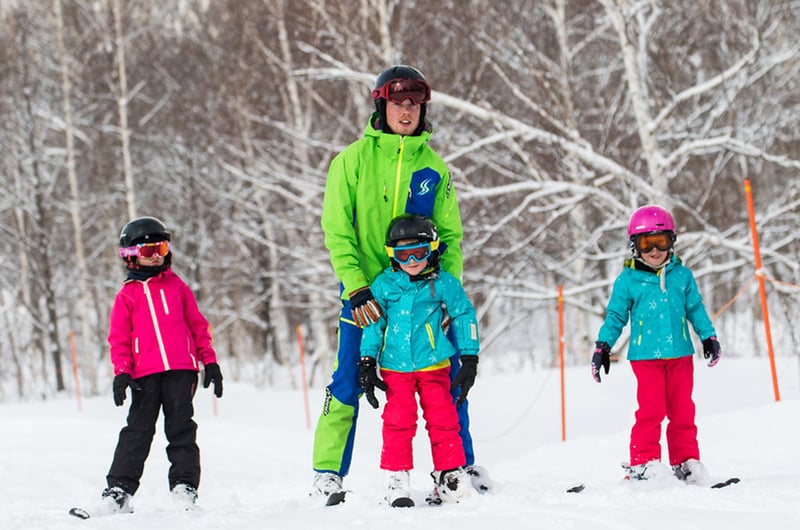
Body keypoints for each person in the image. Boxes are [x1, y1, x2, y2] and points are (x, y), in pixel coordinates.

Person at [312, 64, 490, 502]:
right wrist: (356, 286)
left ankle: (458, 465)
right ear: (381, 105)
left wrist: (445, 292)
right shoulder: (350, 162)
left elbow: (450, 238)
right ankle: (328, 474)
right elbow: (337, 230)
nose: (406, 111)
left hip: (425, 295)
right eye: (398, 103)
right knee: (348, 379)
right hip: (366, 295)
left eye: (414, 103)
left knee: (445, 379)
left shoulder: (433, 169)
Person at [95, 216, 223, 515]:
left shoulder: (178, 288)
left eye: (161, 249)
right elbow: (119, 339)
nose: (156, 256)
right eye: (148, 250)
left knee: (181, 429)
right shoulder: (127, 296)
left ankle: (184, 487)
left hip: (182, 370)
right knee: (137, 431)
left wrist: (210, 362)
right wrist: (122, 372)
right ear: (129, 254)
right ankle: (119, 491)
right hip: (144, 374)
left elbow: (198, 326)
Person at [591, 204, 722, 485]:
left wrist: (707, 336)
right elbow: (615, 316)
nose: (654, 250)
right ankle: (644, 464)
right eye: (646, 243)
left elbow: (695, 308)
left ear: (671, 242)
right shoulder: (628, 280)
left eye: (660, 242)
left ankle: (685, 462)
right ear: (634, 246)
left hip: (680, 355)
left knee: (683, 411)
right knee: (651, 411)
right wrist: (603, 346)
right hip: (646, 356)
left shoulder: (682, 276)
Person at [358, 215, 480, 507]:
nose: (412, 260)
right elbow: (373, 324)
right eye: (403, 254)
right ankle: (396, 477)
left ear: (433, 250)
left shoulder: (442, 283)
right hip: (395, 368)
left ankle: (448, 474)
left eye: (420, 252)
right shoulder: (384, 285)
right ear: (392, 256)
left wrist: (469, 356)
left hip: (434, 364)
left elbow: (464, 314)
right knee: (399, 421)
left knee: (444, 419)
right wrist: (366, 360)